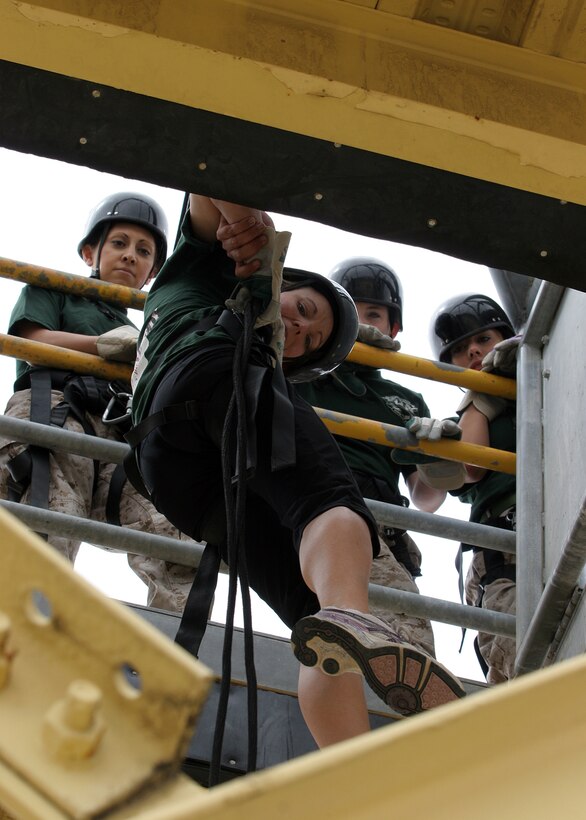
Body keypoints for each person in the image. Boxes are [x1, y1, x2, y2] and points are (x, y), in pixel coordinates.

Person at [127, 196, 466, 748]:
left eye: (305, 344)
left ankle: (348, 766)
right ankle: (350, 617)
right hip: (215, 376)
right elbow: (213, 180)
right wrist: (246, 220)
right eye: (304, 313)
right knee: (330, 502)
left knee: (317, 627)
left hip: (171, 470)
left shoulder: (205, 298)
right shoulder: (219, 274)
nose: (295, 330)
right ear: (286, 285)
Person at [0, 192, 195, 611]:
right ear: (92, 252)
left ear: (152, 275)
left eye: (143, 252)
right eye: (119, 243)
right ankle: (27, 618)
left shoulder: (146, 332)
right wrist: (100, 346)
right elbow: (30, 341)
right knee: (53, 517)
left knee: (171, 526)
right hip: (56, 412)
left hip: (120, 433)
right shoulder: (56, 288)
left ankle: (177, 640)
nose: (129, 256)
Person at [294, 258, 464, 658]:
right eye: (351, 309)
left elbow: (425, 498)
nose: (362, 321)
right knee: (397, 638)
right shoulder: (302, 369)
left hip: (380, 520)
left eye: (373, 313)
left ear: (394, 328)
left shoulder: (405, 400)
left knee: (405, 642)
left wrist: (436, 462)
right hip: (312, 501)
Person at [429, 293, 517, 684]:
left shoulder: (551, 381)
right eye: (461, 350)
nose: (475, 352)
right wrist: (480, 400)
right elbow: (472, 465)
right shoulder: (462, 421)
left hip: (567, 525)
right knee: (527, 654)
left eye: (484, 339)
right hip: (505, 549)